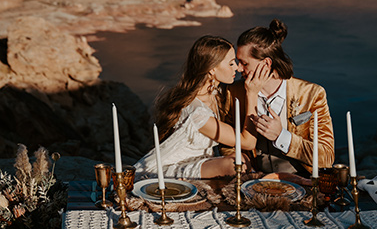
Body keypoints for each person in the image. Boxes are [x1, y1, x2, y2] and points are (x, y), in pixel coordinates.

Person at [135, 35, 268, 179]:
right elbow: (248, 142)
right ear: (211, 69)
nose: (236, 67)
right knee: (235, 164)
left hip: (200, 161)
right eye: (231, 63)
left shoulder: (215, 94)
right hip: (167, 169)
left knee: (242, 160)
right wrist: (252, 93)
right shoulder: (197, 113)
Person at [224, 18, 334, 176]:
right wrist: (247, 168)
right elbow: (227, 144)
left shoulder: (312, 94)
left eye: (244, 63)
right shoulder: (233, 92)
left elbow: (327, 156)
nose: (238, 68)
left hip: (302, 180)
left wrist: (281, 136)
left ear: (266, 63)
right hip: (253, 180)